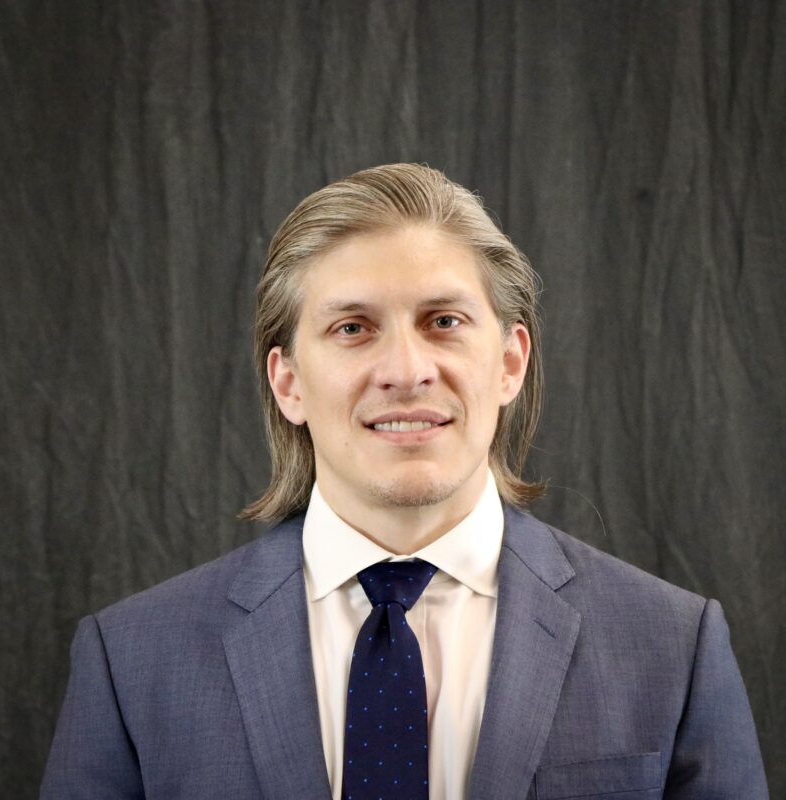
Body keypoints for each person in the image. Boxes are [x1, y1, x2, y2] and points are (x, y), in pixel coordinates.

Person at [41, 164, 768, 799]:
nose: (406, 369)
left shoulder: (674, 646)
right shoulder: (131, 660)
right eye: (353, 329)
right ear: (287, 382)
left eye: (444, 320)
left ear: (511, 362)